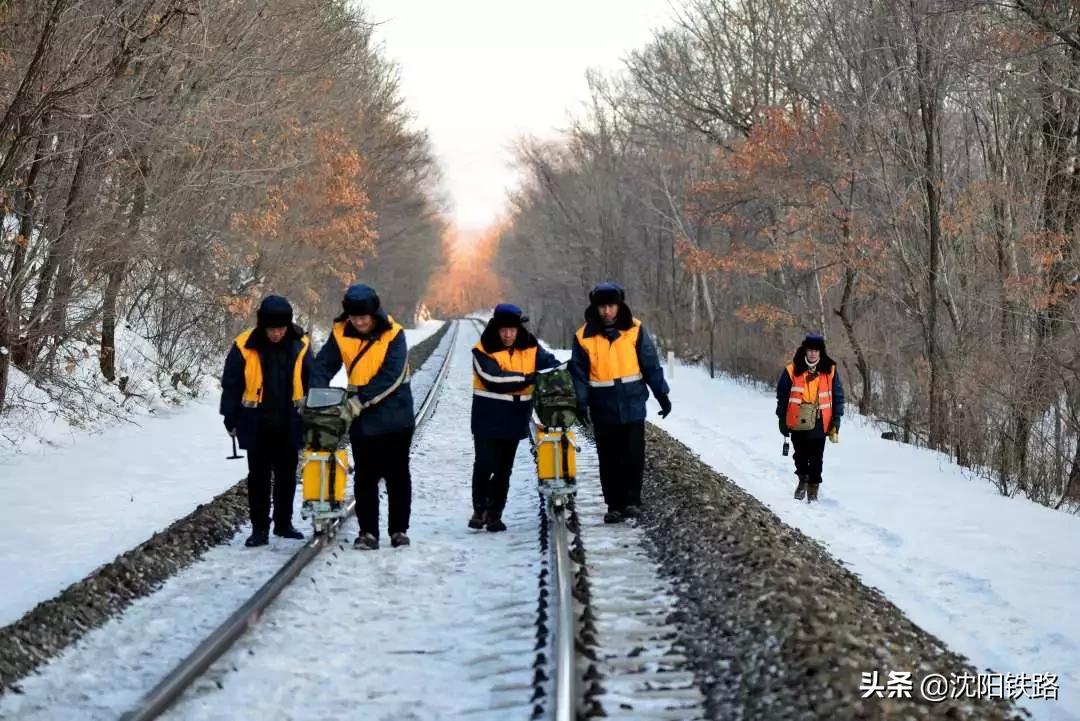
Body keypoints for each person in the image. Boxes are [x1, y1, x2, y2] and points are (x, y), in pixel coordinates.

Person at [311, 283, 414, 550]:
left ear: (375, 313)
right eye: (354, 317)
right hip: (363, 419)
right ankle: (368, 532)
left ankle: (398, 530)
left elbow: (391, 376)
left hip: (395, 413)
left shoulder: (394, 335)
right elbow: (323, 366)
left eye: (364, 317)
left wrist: (358, 401)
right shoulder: (340, 333)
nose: (359, 322)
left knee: (396, 474)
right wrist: (317, 397)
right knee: (366, 475)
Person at [569, 282, 671, 523]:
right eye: (602, 306)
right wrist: (580, 404)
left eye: (611, 306)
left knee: (634, 454)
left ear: (619, 306)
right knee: (609, 457)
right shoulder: (583, 337)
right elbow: (579, 374)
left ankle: (632, 501)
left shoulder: (635, 330)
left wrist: (661, 394)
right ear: (595, 307)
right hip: (603, 406)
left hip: (633, 402)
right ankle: (614, 505)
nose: (607, 311)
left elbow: (650, 364)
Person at [220, 295, 312, 547]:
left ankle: (283, 524)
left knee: (286, 477)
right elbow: (231, 384)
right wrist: (230, 418)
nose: (276, 334)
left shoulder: (301, 344)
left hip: (289, 422)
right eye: (272, 329)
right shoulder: (243, 345)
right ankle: (259, 529)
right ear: (263, 326)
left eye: (281, 328)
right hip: (256, 423)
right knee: (258, 478)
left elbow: (311, 380)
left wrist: (314, 414)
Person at [470, 303, 559, 532]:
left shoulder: (531, 347)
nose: (508, 334)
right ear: (496, 329)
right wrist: (530, 378)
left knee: (503, 469)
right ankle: (480, 508)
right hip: (487, 415)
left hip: (515, 417)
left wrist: (561, 370)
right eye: (504, 330)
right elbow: (494, 379)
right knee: (484, 463)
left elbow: (550, 364)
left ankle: (494, 514)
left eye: (512, 330)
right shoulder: (482, 349)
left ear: (519, 329)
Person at [776, 332, 844, 502]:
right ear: (805, 351)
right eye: (810, 350)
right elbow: (782, 397)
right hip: (797, 419)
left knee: (816, 457)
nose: (813, 353)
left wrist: (837, 418)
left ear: (821, 352)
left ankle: (813, 488)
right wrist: (781, 419)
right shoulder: (791, 369)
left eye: (816, 350)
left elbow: (838, 396)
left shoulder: (830, 369)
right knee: (799, 455)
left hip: (820, 421)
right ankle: (802, 481)